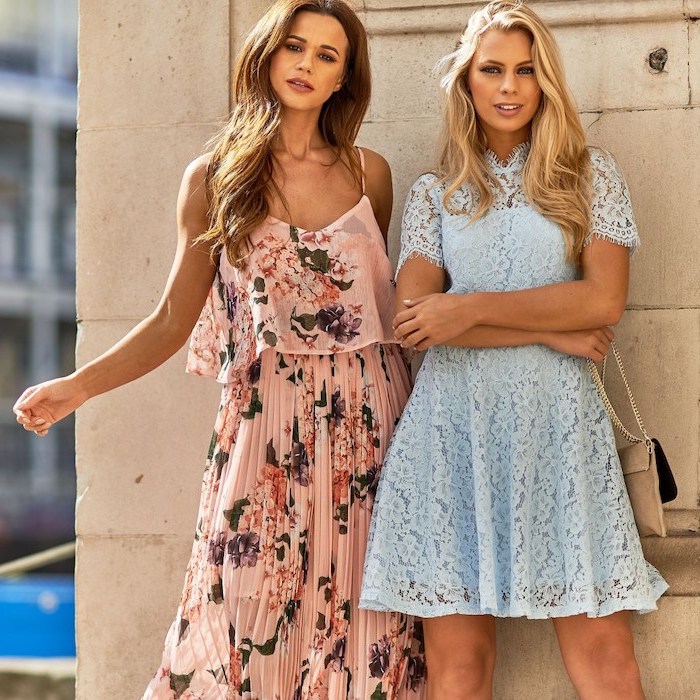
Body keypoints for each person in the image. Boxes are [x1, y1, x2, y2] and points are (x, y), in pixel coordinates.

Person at [14, 1, 426, 697]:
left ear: (343, 82)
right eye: (295, 46)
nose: (307, 64)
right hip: (264, 425)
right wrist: (76, 388)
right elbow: (174, 317)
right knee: (245, 611)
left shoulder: (369, 175)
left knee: (363, 618)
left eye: (328, 56)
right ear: (267, 54)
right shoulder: (214, 178)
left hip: (369, 423)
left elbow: (392, 312)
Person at [359, 2, 667, 699]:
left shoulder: (590, 176)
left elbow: (602, 301)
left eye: (526, 70)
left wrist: (465, 309)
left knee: (609, 663)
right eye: (491, 69)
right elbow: (411, 320)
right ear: (466, 82)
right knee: (459, 672)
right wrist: (547, 327)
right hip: (451, 435)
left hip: (559, 433)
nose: (509, 85)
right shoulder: (436, 194)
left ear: (546, 80)